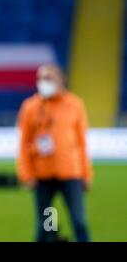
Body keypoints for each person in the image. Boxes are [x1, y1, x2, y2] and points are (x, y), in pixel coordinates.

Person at [16, 64, 92, 242]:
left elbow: (82, 143)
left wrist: (86, 174)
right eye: (40, 78)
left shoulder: (75, 104)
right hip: (42, 174)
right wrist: (26, 173)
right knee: (45, 223)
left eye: (48, 78)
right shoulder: (30, 106)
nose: (43, 82)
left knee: (79, 220)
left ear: (61, 79)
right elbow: (23, 144)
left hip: (71, 173)